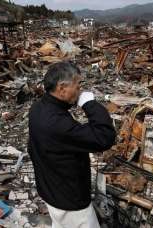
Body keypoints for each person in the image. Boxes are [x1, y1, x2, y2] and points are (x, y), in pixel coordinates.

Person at [28, 62, 116, 228]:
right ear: (62, 88)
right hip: (70, 200)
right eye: (78, 85)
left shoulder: (37, 108)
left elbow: (32, 148)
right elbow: (104, 137)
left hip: (51, 189)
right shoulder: (57, 123)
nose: (80, 90)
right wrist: (90, 104)